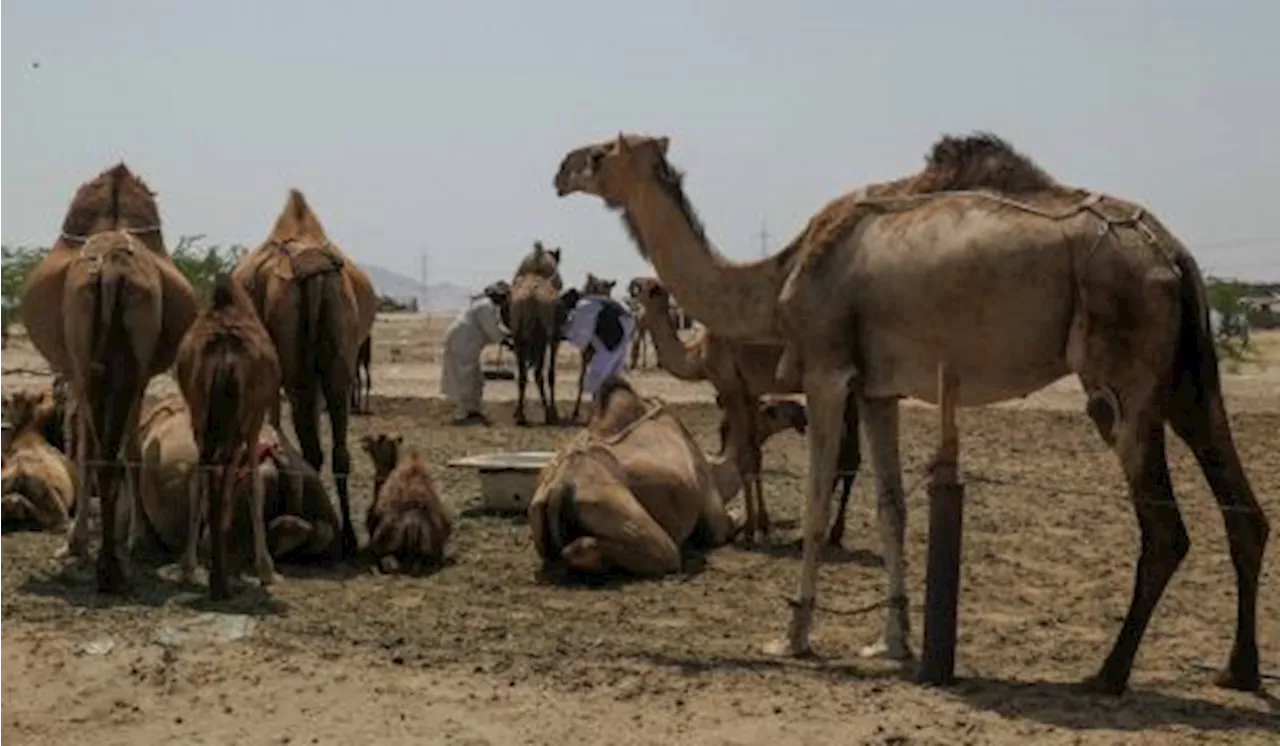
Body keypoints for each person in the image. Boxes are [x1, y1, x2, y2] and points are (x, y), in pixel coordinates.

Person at [440, 283, 511, 426]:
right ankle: (462, 413)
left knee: (475, 378)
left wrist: (506, 337)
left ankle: (473, 409)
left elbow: (494, 329)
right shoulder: (485, 306)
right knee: (464, 377)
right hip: (462, 342)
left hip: (467, 344)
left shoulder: (486, 306)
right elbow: (491, 330)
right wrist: (506, 341)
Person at [562, 291, 636, 408]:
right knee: (612, 375)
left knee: (598, 378)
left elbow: (581, 337)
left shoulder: (584, 306)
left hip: (611, 336)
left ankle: (599, 409)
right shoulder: (595, 299)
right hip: (624, 329)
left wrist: (565, 333)